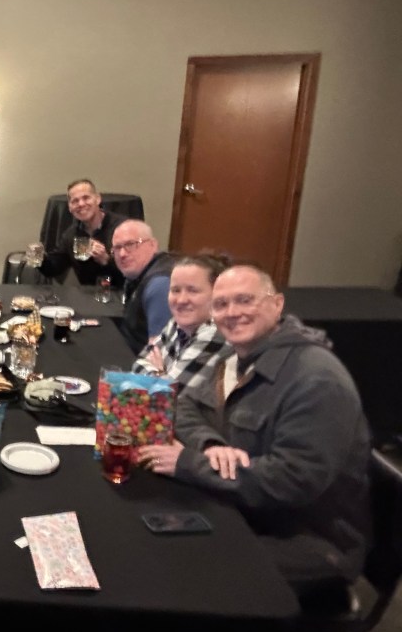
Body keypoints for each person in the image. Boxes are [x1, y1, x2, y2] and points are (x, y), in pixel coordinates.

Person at [139, 265, 371, 608]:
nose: (232, 313)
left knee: (177, 570)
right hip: (246, 507)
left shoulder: (317, 380)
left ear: (277, 304)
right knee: (147, 536)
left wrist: (189, 463)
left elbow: (293, 480)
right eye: (221, 305)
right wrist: (210, 444)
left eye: (244, 300)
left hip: (309, 539)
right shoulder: (235, 357)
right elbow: (183, 405)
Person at [131, 252, 233, 390]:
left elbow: (168, 394)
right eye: (175, 290)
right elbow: (138, 363)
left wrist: (158, 371)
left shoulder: (216, 333)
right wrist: (162, 376)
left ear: (218, 295)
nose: (181, 300)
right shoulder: (176, 322)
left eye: (192, 290)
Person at [40, 178, 128, 287]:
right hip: (88, 297)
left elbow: (137, 272)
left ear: (98, 199)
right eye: (75, 201)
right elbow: (54, 268)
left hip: (122, 296)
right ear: (70, 207)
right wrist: (39, 258)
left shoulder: (124, 228)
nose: (81, 204)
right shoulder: (71, 234)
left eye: (86, 198)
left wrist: (107, 260)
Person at [110, 219, 176, 353]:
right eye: (117, 248)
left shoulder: (159, 285)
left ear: (153, 245)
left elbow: (158, 353)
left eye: (131, 244)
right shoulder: (140, 273)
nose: (122, 254)